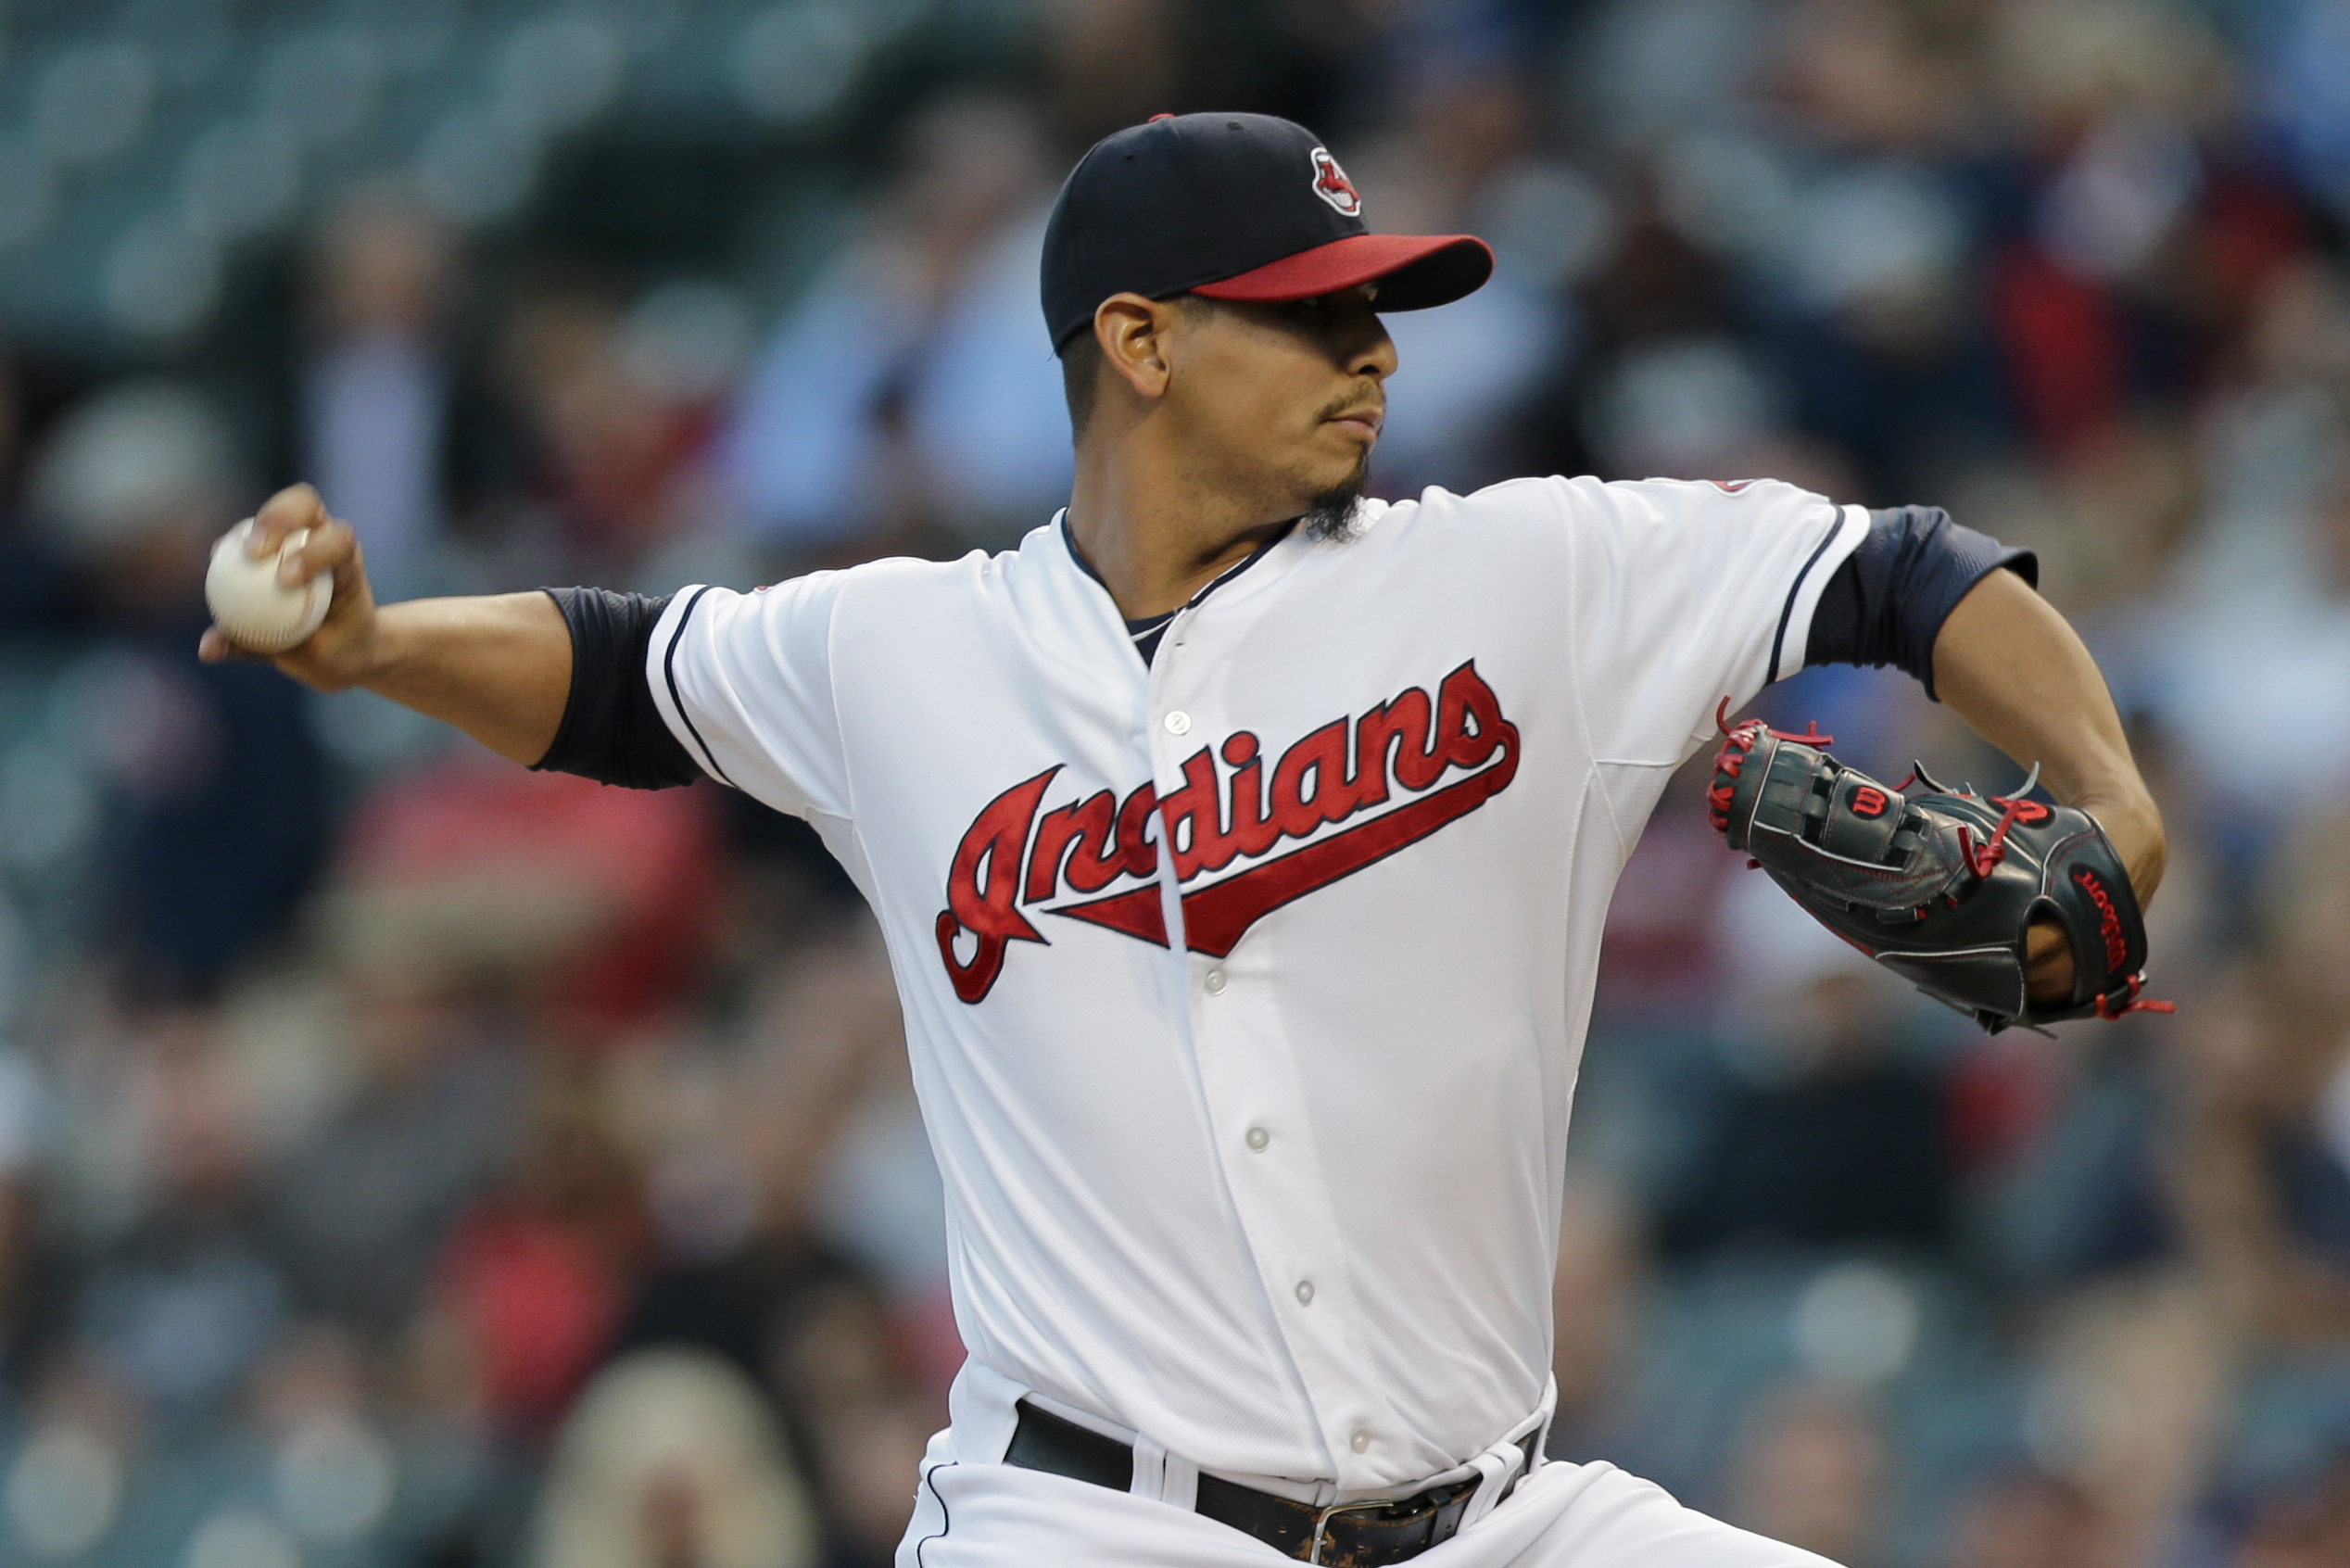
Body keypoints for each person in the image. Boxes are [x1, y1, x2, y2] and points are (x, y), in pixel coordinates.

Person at [204, 113, 2165, 1567]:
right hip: (1085, 1525)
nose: (1373, 353)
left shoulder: (1528, 570)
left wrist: (2115, 804)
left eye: (1374, 312)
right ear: (1136, 346)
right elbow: (616, 674)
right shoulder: (905, 646)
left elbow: (1899, 572)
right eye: (1311, 321)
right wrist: (377, 648)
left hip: (1500, 1523)